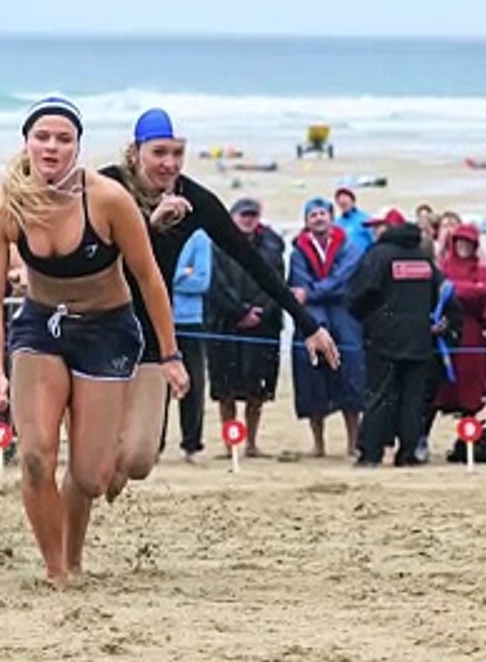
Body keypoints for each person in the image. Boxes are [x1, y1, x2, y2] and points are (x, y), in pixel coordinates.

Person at [0, 98, 188, 589]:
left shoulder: (108, 199)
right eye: (43, 137)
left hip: (107, 329)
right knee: (35, 456)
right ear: (27, 142)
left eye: (63, 138)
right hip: (41, 327)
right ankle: (56, 571)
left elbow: (150, 279)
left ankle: (72, 556)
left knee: (91, 474)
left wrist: (171, 354)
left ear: (78, 145)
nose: (52, 146)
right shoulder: (7, 204)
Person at [99, 108, 338, 498]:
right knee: (92, 457)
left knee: (140, 460)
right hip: (96, 325)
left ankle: (103, 475)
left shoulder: (193, 199)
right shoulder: (106, 186)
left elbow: (253, 261)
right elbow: (86, 253)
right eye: (159, 152)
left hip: (149, 333)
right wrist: (149, 226)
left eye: (178, 153)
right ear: (136, 151)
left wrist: (308, 324)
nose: (170, 163)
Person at [347, 207, 444, 467]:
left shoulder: (378, 255)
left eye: (378, 227)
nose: (374, 232)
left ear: (388, 229)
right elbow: (440, 294)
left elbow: (358, 294)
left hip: (383, 338)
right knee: (412, 398)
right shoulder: (423, 258)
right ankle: (409, 452)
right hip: (419, 338)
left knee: (380, 395)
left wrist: (368, 320)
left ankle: (371, 453)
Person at [205, 198, 285, 458]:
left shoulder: (272, 246)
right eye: (243, 215)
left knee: (257, 389)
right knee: (225, 389)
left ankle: (251, 442)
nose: (248, 220)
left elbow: (276, 284)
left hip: (262, 326)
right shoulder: (218, 243)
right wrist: (239, 312)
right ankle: (231, 445)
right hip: (226, 325)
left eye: (252, 215)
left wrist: (258, 312)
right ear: (233, 217)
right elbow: (216, 283)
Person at [288, 198, 365, 457]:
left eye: (323, 213)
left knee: (351, 377)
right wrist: (310, 298)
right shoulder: (298, 250)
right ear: (306, 221)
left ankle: (353, 442)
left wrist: (311, 293)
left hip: (345, 315)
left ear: (332, 218)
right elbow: (297, 283)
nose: (318, 218)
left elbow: (343, 279)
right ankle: (318, 444)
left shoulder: (350, 246)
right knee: (312, 379)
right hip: (313, 317)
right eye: (313, 215)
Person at [432, 224, 486, 424]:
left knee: (472, 379)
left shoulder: (482, 267)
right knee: (440, 382)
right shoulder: (444, 264)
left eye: (468, 242)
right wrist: (466, 289)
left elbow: (483, 291)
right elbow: (438, 289)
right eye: (459, 241)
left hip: (472, 328)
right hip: (446, 327)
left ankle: (471, 429)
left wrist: (452, 289)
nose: (463, 246)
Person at [169, 230, 211, 462]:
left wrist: (168, 276)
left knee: (193, 383)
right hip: (160, 316)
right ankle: (153, 445)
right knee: (156, 385)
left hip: (190, 319)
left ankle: (191, 444)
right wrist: (184, 273)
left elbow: (202, 281)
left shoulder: (198, 238)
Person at [333, 187, 374, 254]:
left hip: (364, 260)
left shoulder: (365, 219)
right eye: (341, 204)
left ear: (353, 201)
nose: (343, 205)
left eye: (346, 202)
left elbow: (374, 240)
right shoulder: (336, 223)